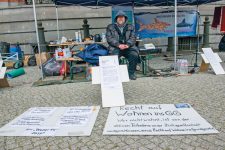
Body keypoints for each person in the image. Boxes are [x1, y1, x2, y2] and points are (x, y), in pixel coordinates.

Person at [106, 10, 139, 80]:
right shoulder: (110, 27)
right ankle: (114, 75)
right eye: (119, 17)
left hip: (128, 47)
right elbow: (109, 38)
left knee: (134, 55)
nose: (120, 19)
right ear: (116, 19)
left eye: (122, 17)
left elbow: (133, 38)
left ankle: (131, 73)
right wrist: (118, 45)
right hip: (116, 47)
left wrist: (128, 44)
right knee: (113, 57)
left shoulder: (131, 27)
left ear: (125, 19)